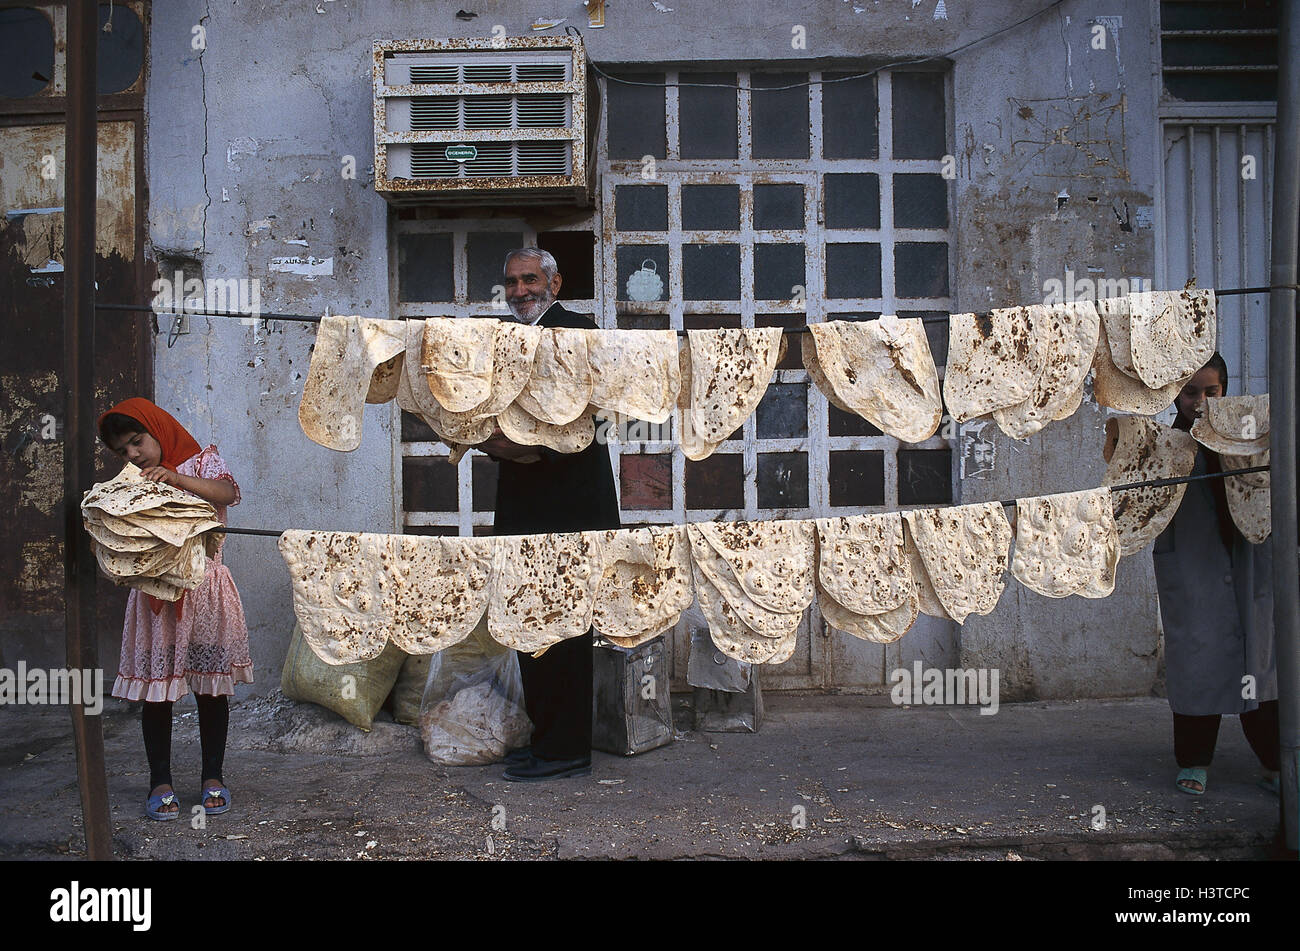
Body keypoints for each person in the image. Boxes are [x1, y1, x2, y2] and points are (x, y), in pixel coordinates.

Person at [477, 248, 621, 782]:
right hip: (522, 505)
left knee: (564, 628)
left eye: (530, 280)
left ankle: (566, 749)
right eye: (511, 282)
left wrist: (505, 443)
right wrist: (500, 441)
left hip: (571, 506)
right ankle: (545, 739)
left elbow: (576, 431)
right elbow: (487, 418)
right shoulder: (506, 340)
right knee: (525, 621)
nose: (520, 292)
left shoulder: (580, 333)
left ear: (555, 282)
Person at [97, 398, 253, 818]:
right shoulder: (134, 481)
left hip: (205, 588)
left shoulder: (203, 462)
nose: (133, 455)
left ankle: (213, 777)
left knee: (210, 689)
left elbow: (228, 493)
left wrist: (177, 479)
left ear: (157, 429)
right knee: (157, 693)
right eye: (123, 451)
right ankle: (160, 781)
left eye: (137, 442)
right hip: (156, 595)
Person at [1151, 354, 1278, 796]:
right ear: (1174, 395)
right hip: (1193, 564)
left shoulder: (1249, 435)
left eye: (1211, 392)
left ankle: (1274, 762)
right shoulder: (1161, 446)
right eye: (1189, 393)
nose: (1199, 402)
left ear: (1225, 389)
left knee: (1258, 661)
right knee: (1198, 662)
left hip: (1248, 558)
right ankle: (1194, 760)